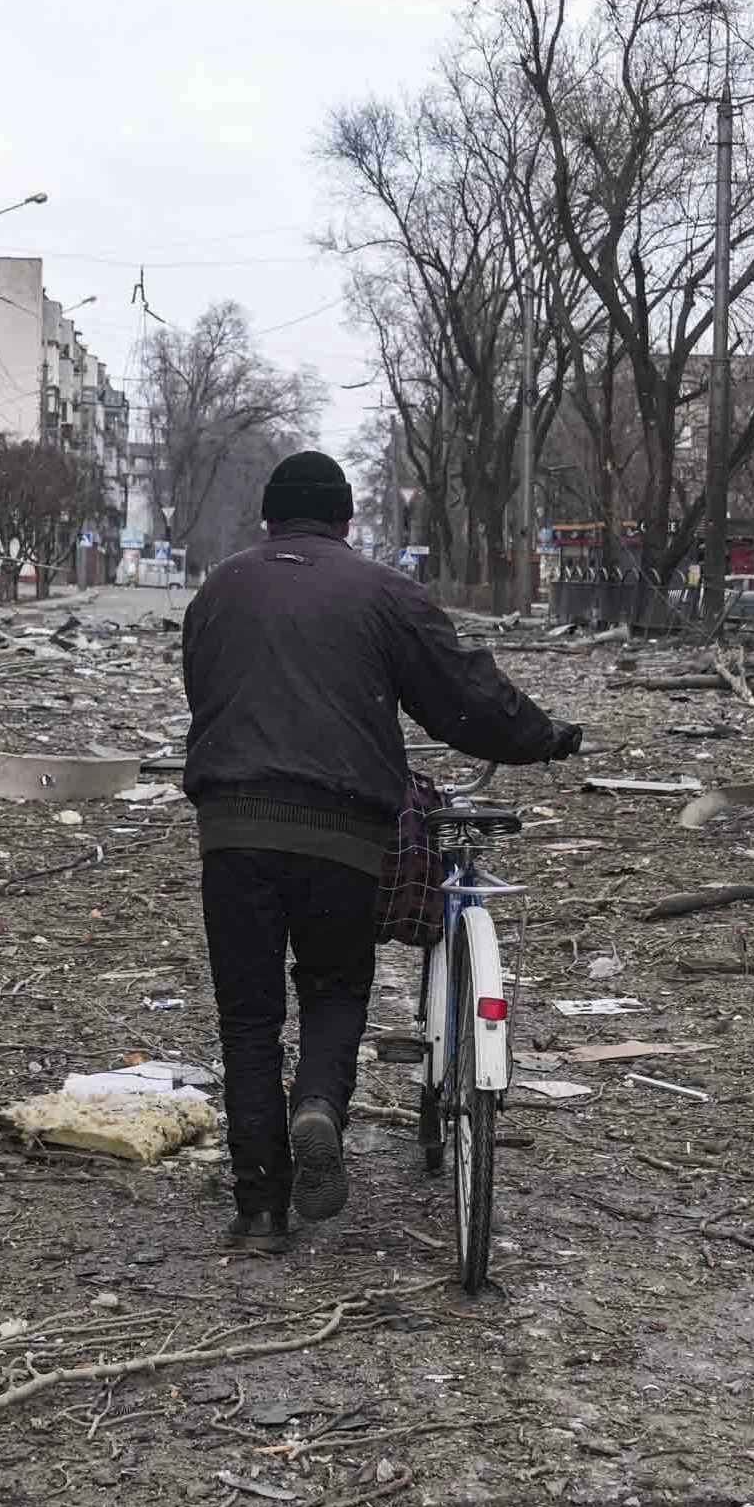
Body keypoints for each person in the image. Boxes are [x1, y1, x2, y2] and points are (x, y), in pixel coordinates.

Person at [181, 450, 581, 1256]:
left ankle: (260, 1207)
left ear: (266, 517)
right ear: (346, 520)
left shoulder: (220, 588)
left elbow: (206, 688)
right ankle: (320, 1106)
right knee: (334, 986)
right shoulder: (384, 592)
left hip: (233, 828)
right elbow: (463, 699)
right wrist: (544, 737)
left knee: (248, 1014)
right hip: (342, 829)